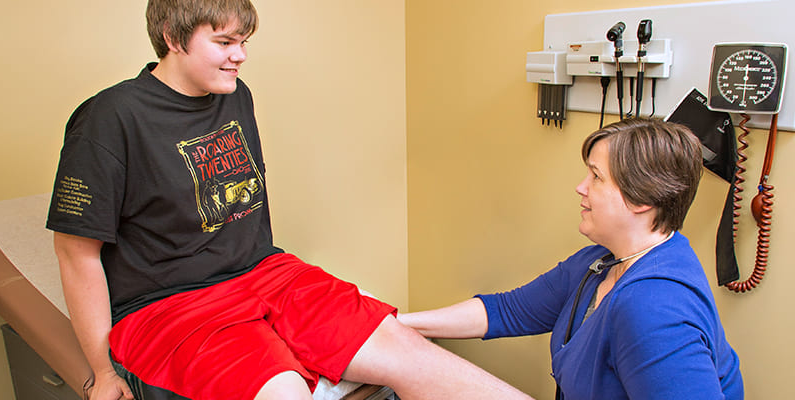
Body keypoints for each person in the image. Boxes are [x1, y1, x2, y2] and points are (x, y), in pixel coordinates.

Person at [46, 1, 534, 399]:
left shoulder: (235, 94)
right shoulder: (109, 117)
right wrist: (101, 374)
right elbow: (75, 251)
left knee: (411, 355)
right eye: (224, 42)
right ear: (174, 39)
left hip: (265, 273)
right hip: (171, 303)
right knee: (283, 392)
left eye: (243, 42)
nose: (240, 56)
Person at [399, 118, 743, 399]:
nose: (581, 187)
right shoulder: (601, 263)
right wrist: (394, 323)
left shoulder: (654, 308)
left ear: (641, 199)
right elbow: (506, 311)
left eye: (596, 176)